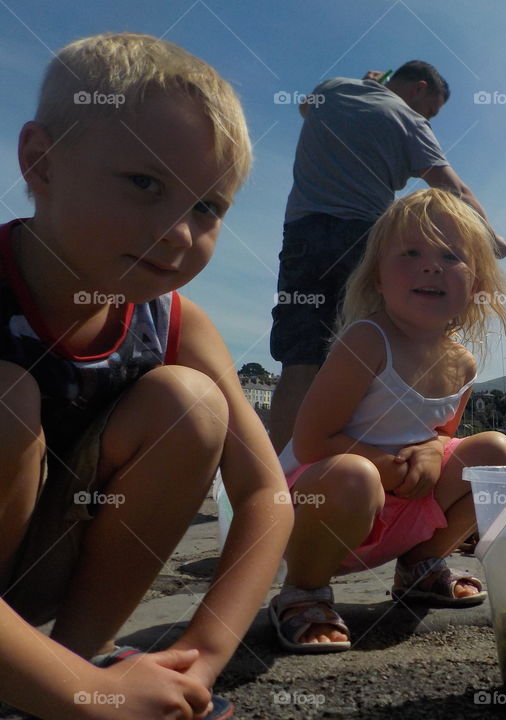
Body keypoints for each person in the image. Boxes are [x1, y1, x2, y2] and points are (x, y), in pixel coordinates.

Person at [0, 33, 293, 719]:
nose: (177, 234)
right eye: (144, 184)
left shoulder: (172, 323)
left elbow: (266, 497)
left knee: (191, 404)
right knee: (8, 400)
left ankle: (62, 671)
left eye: (207, 208)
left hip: (42, 582)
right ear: (40, 162)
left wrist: (202, 656)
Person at [269, 188, 506, 652]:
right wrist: (384, 465)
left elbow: (442, 436)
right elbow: (311, 440)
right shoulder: (367, 340)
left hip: (402, 501)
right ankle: (303, 590)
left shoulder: (462, 363)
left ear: (477, 285)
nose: (431, 266)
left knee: (495, 452)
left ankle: (421, 567)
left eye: (451, 255)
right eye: (411, 252)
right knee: (354, 476)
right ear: (378, 279)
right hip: (324, 505)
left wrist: (430, 451)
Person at [268, 60, 506, 454]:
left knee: (300, 359)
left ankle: (284, 483)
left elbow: (305, 109)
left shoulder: (331, 88)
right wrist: (490, 238)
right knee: (380, 355)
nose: (428, 116)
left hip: (304, 235)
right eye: (431, 108)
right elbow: (454, 190)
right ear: (419, 89)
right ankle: (383, 464)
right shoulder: (409, 121)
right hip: (367, 241)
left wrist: (365, 86)